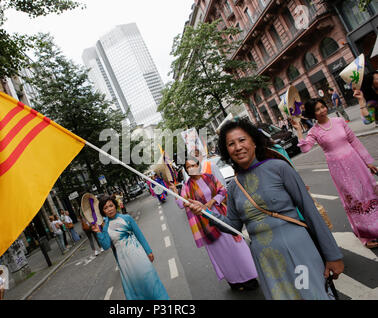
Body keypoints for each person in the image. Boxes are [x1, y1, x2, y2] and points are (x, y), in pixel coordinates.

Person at [186, 119, 344, 300]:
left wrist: (333, 255)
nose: (238, 147)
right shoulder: (234, 187)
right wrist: (205, 212)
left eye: (242, 140)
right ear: (227, 151)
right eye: (231, 144)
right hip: (267, 262)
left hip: (300, 253)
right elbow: (232, 225)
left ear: (253, 141)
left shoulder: (279, 168)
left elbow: (310, 211)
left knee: (311, 294)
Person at [293, 98, 378, 249]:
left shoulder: (339, 121)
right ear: (313, 114)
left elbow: (354, 141)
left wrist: (367, 161)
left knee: (369, 193)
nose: (321, 111)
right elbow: (305, 149)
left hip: (356, 162)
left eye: (322, 107)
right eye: (317, 110)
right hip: (339, 169)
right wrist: (299, 131)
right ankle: (366, 235)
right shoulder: (314, 131)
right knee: (355, 200)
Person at [169, 158, 259, 292]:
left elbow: (223, 191)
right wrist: (176, 194)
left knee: (238, 249)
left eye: (193, 165)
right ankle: (234, 281)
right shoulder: (187, 186)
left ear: (198, 165)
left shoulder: (210, 177)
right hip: (207, 226)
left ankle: (250, 277)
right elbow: (182, 204)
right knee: (222, 254)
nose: (191, 168)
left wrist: (211, 202)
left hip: (223, 218)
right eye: (188, 167)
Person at [92, 195, 169, 300]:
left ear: (115, 206)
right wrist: (98, 233)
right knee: (135, 288)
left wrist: (148, 251)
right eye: (105, 208)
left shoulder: (126, 218)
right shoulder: (106, 227)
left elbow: (139, 235)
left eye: (111, 206)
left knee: (150, 280)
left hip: (138, 255)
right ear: (103, 212)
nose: (109, 209)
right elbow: (105, 246)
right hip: (125, 263)